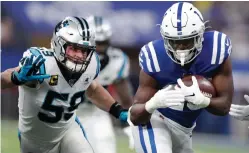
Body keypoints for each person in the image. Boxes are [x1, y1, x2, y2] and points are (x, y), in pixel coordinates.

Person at [1, 16, 127, 153]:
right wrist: (15, 77)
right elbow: (4, 79)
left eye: (84, 50)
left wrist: (117, 110)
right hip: (35, 138)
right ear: (59, 44)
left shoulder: (91, 65)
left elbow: (93, 89)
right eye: (74, 49)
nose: (79, 55)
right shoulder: (41, 63)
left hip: (68, 130)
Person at [127, 2, 234, 153]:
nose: (180, 49)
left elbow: (224, 106)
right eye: (174, 42)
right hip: (156, 121)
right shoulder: (155, 56)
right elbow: (135, 116)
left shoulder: (216, 49)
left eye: (187, 41)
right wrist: (154, 102)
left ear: (200, 35)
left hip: (185, 130)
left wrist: (203, 101)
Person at [76, 16, 134, 153]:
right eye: (96, 42)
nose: (100, 48)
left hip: (96, 112)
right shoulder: (71, 57)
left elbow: (125, 97)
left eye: (103, 42)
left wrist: (129, 123)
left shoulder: (117, 60)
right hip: (69, 110)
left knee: (105, 144)